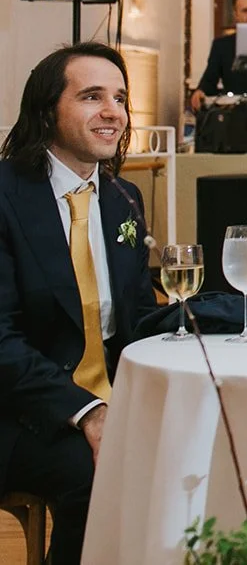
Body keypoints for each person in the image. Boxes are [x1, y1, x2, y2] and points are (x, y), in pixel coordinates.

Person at [0, 43, 160, 565]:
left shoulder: (122, 200)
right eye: (92, 96)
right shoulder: (5, 197)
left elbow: (137, 320)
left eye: (119, 97)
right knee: (101, 475)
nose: (113, 111)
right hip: (20, 410)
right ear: (48, 110)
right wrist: (88, 414)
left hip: (112, 397)